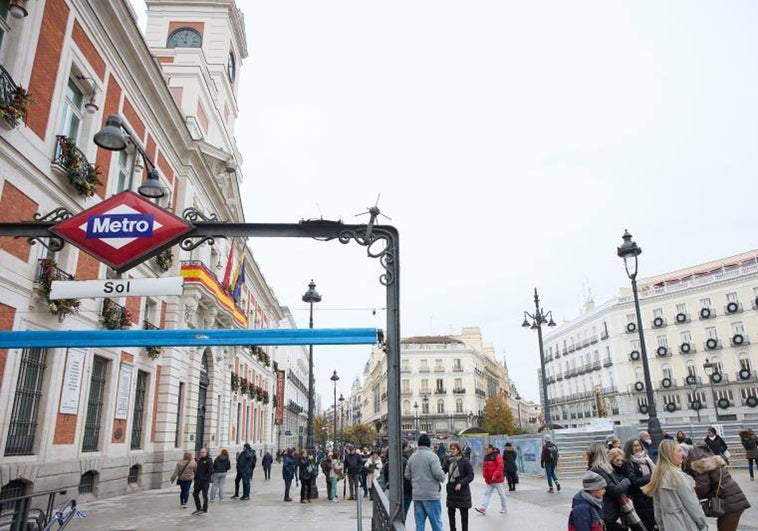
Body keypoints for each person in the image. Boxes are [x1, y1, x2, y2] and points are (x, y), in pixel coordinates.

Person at [641, 440, 707, 530]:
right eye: (679, 451)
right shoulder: (677, 476)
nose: (682, 454)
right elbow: (692, 505)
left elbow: (657, 508)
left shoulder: (658, 476)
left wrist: (661, 526)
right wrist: (703, 523)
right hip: (685, 524)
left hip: (668, 525)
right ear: (670, 454)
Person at [684, 441, 750, 531]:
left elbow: (703, 488)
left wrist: (687, 495)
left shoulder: (698, 461)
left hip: (731, 501)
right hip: (730, 499)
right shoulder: (702, 455)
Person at [405, 433, 446, 531]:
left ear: (419, 444)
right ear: (429, 444)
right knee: (436, 524)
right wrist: (443, 477)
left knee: (419, 524)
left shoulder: (412, 457)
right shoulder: (433, 456)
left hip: (417, 495)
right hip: (431, 495)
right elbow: (438, 474)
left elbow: (407, 475)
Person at [586, 442, 630, 531]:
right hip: (607, 512)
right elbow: (615, 490)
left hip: (607, 511)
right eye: (605, 452)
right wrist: (627, 480)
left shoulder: (600, 469)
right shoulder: (598, 470)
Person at [621, 439, 656, 531]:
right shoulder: (628, 462)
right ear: (630, 448)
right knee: (646, 524)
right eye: (634, 446)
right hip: (640, 498)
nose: (637, 448)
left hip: (652, 496)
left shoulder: (647, 459)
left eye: (638, 445)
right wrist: (651, 477)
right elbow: (634, 481)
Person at [443, 442, 474, 531]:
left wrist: (461, 483)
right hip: (451, 491)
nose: (451, 451)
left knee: (464, 515)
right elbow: (442, 472)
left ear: (458, 449)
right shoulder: (448, 460)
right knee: (451, 514)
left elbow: (471, 475)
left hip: (462, 492)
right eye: (450, 449)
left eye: (453, 449)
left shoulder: (465, 461)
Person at [474, 444, 507, 515]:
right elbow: (484, 467)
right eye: (485, 449)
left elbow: (500, 466)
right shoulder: (486, 457)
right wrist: (484, 475)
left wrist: (495, 475)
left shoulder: (497, 456)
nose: (486, 450)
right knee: (487, 494)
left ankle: (504, 507)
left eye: (487, 449)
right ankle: (483, 508)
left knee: (501, 494)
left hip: (497, 480)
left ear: (491, 448)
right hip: (489, 480)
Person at [192, 447, 213, 515]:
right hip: (198, 481)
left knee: (205, 495)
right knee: (195, 494)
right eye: (201, 452)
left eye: (203, 452)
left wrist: (204, 478)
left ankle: (205, 509)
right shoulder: (200, 460)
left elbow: (210, 471)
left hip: (204, 481)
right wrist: (196, 477)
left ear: (206, 453)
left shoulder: (209, 461)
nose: (201, 453)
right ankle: (198, 508)